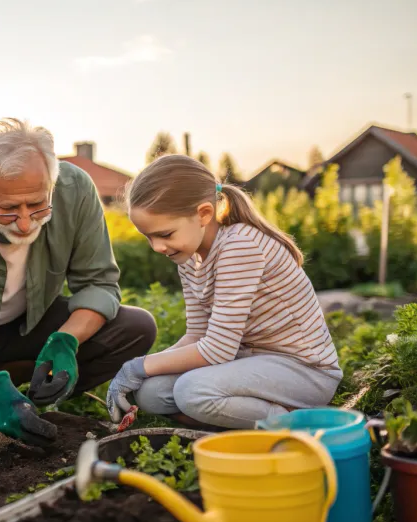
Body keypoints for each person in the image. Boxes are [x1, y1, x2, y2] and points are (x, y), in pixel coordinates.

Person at [0, 118, 157, 446]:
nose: (25, 224)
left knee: (136, 327)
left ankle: (29, 388)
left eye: (37, 205)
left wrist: (65, 341)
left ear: (52, 182)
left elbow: (98, 284)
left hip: (33, 325)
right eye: (9, 209)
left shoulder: (76, 189)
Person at [107, 155, 342, 429]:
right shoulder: (190, 257)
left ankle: (300, 424)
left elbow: (217, 350)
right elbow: (197, 335)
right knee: (152, 393)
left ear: (204, 214)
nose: (157, 247)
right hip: (250, 360)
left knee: (192, 391)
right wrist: (142, 374)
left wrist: (136, 367)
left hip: (303, 371)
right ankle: (234, 426)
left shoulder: (240, 246)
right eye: (149, 237)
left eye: (165, 234)